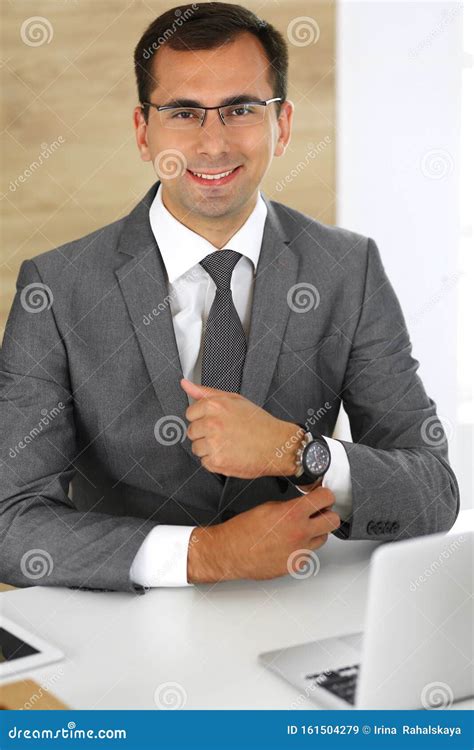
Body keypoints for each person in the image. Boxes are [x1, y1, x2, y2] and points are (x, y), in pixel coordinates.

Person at [0, 3, 459, 594]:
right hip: (123, 631)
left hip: (298, 614)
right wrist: (208, 554)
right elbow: (10, 521)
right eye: (184, 112)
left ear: (282, 125)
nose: (213, 143)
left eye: (241, 109)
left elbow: (434, 491)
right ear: (144, 131)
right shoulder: (57, 289)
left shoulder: (350, 269)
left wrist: (300, 451)